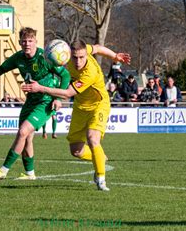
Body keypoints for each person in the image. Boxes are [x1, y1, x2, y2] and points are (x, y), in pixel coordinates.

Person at [0, 27, 71, 181]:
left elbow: (65, 75)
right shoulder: (18, 58)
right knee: (27, 139)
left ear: (36, 42)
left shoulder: (45, 57)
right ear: (19, 42)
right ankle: (29, 173)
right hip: (30, 101)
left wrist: (58, 98)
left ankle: (3, 170)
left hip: (45, 102)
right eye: (24, 41)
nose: (27, 44)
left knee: (22, 132)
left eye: (30, 41)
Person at [22, 40, 131, 191]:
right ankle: (99, 157)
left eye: (81, 57)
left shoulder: (89, 73)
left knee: (93, 139)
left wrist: (40, 88)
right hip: (80, 107)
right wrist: (114, 56)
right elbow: (98, 48)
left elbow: (67, 93)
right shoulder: (72, 52)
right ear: (68, 55)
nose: (78, 61)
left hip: (98, 105)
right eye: (74, 57)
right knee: (76, 151)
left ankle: (101, 179)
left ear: (85, 55)